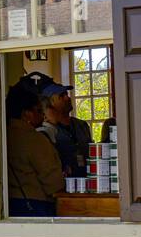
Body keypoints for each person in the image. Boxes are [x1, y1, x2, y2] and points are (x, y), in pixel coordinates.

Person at [6, 82, 65, 217]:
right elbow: (52, 180)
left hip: (8, 204)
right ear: (27, 114)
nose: (43, 115)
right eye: (38, 110)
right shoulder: (34, 139)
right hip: (35, 205)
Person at [37, 81, 91, 176]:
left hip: (86, 182)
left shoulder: (82, 125)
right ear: (50, 103)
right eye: (61, 96)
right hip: (63, 184)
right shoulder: (47, 131)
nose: (67, 98)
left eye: (67, 94)